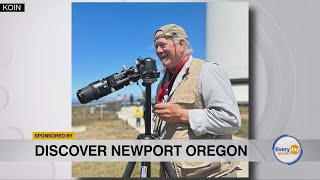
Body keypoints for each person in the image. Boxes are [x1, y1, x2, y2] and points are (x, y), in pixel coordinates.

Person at [152, 24, 241, 178]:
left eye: (163, 45)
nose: (158, 51)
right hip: (173, 173)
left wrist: (182, 115)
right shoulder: (163, 82)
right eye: (156, 46)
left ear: (181, 44)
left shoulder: (207, 71)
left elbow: (231, 120)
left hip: (211, 174)